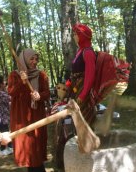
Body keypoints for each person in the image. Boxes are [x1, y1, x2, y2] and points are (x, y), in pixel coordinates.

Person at [54, 23, 97, 169]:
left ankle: (86, 162)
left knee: (83, 122)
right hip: (75, 90)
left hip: (82, 94)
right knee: (71, 123)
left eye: (76, 34)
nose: (74, 36)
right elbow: (75, 75)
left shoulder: (88, 52)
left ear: (82, 36)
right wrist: (66, 85)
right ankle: (74, 159)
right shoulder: (81, 51)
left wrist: (83, 95)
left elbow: (90, 76)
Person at [8, 48, 50, 172]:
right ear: (24, 59)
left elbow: (47, 92)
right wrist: (22, 81)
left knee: (36, 146)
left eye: (36, 59)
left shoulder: (41, 74)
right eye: (31, 58)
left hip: (37, 114)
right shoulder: (15, 75)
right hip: (22, 117)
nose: (34, 61)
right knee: (27, 147)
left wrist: (40, 96)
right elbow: (11, 92)